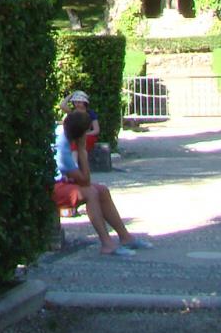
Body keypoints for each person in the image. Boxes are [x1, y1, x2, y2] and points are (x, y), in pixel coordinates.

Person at [54, 107, 151, 256]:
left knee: (102, 190)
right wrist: (82, 150)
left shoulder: (60, 132)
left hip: (60, 181)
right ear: (81, 134)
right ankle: (107, 244)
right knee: (90, 193)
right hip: (51, 186)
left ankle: (125, 237)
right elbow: (85, 181)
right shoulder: (64, 152)